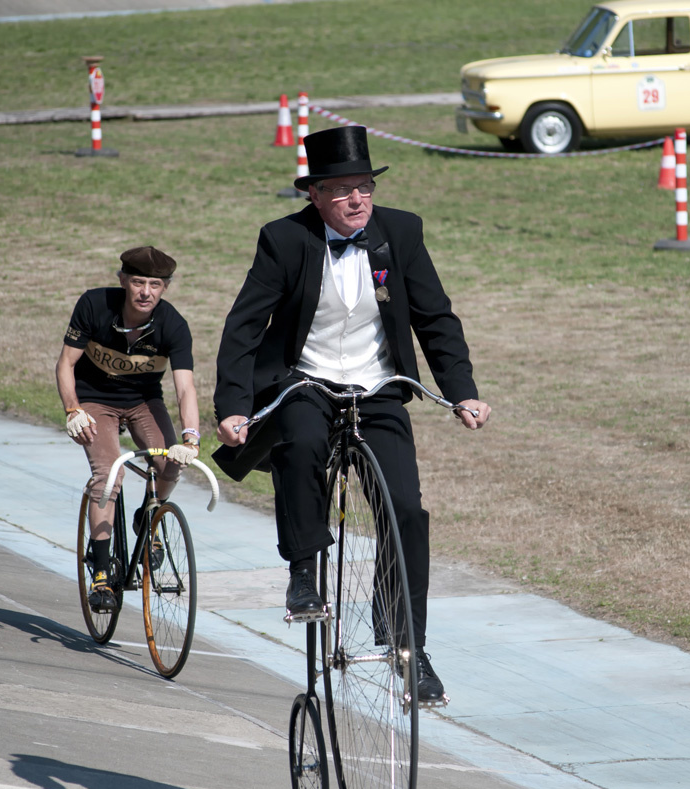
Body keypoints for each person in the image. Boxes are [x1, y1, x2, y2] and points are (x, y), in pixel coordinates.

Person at [212, 125, 491, 702]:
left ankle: (407, 642)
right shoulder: (283, 241)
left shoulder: (402, 232)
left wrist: (462, 391)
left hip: (380, 384)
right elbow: (243, 328)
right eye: (342, 191)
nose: (357, 200)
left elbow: (435, 318)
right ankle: (304, 572)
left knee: (406, 508)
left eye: (363, 186)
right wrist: (234, 408)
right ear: (314, 196)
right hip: (306, 380)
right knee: (302, 442)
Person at [56, 246, 201, 612]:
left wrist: (190, 437)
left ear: (165, 287)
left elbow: (185, 387)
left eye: (155, 284)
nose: (146, 292)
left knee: (171, 465)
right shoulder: (93, 306)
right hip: (94, 401)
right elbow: (65, 365)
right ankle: (102, 573)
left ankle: (149, 512)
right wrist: (72, 410)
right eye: (138, 282)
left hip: (143, 401)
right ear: (123, 281)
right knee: (107, 477)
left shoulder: (173, 325)